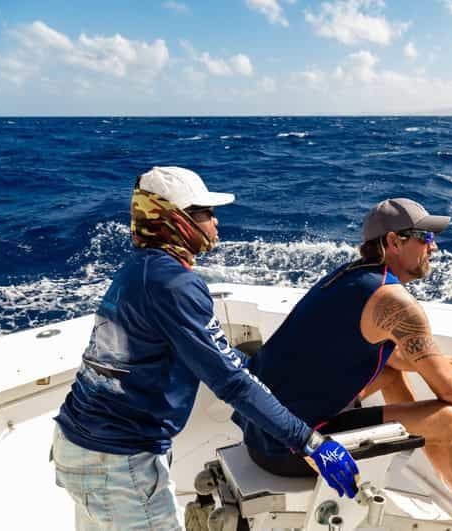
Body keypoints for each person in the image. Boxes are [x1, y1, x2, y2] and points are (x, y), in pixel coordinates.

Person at [52, 166, 359, 531]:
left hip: (82, 446)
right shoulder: (174, 284)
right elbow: (230, 382)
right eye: (205, 214)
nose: (215, 223)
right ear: (176, 221)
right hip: (117, 462)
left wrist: (276, 375)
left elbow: (218, 357)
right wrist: (309, 441)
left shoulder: (142, 269)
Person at [233, 197, 452, 517]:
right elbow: (451, 390)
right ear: (392, 242)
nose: (434, 247)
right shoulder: (395, 302)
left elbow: (394, 357)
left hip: (262, 429)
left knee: (388, 375)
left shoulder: (353, 277)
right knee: (447, 417)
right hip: (294, 450)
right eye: (425, 238)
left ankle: (436, 446)